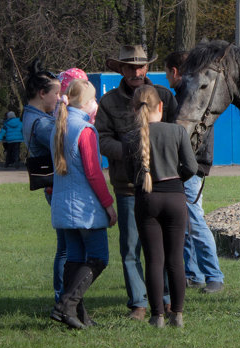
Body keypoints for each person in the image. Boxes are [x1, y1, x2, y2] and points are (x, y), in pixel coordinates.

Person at [95, 44, 178, 320]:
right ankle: (138, 303)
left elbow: (180, 133)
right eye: (130, 66)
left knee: (164, 247)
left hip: (163, 184)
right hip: (128, 186)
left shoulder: (164, 96)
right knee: (131, 247)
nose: (137, 71)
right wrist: (132, 154)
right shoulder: (108, 103)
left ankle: (165, 299)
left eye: (141, 66)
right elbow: (103, 140)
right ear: (120, 68)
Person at [123, 85, 197, 327]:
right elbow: (192, 167)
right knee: (176, 259)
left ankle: (157, 317)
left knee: (154, 259)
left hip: (147, 199)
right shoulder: (177, 132)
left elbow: (129, 174)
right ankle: (178, 315)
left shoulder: (131, 138)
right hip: (175, 197)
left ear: (135, 109)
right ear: (161, 107)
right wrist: (176, 179)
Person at [50, 78, 117, 329]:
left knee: (75, 259)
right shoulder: (85, 130)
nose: (97, 103)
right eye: (94, 99)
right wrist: (108, 205)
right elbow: (93, 172)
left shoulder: (60, 126)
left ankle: (77, 315)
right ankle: (65, 305)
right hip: (85, 208)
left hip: (63, 207)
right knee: (99, 257)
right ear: (88, 103)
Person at [165, 50, 226, 294]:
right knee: (186, 222)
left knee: (195, 221)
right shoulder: (189, 94)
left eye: (167, 72)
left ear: (174, 72)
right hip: (193, 165)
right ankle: (194, 274)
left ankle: (214, 275)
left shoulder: (187, 96)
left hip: (191, 167)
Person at [22, 59, 63, 307]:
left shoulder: (31, 115)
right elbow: (66, 141)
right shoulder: (43, 124)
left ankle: (64, 297)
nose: (59, 99)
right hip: (56, 186)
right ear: (42, 93)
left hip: (51, 187)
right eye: (56, 94)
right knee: (68, 248)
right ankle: (63, 298)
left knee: (67, 246)